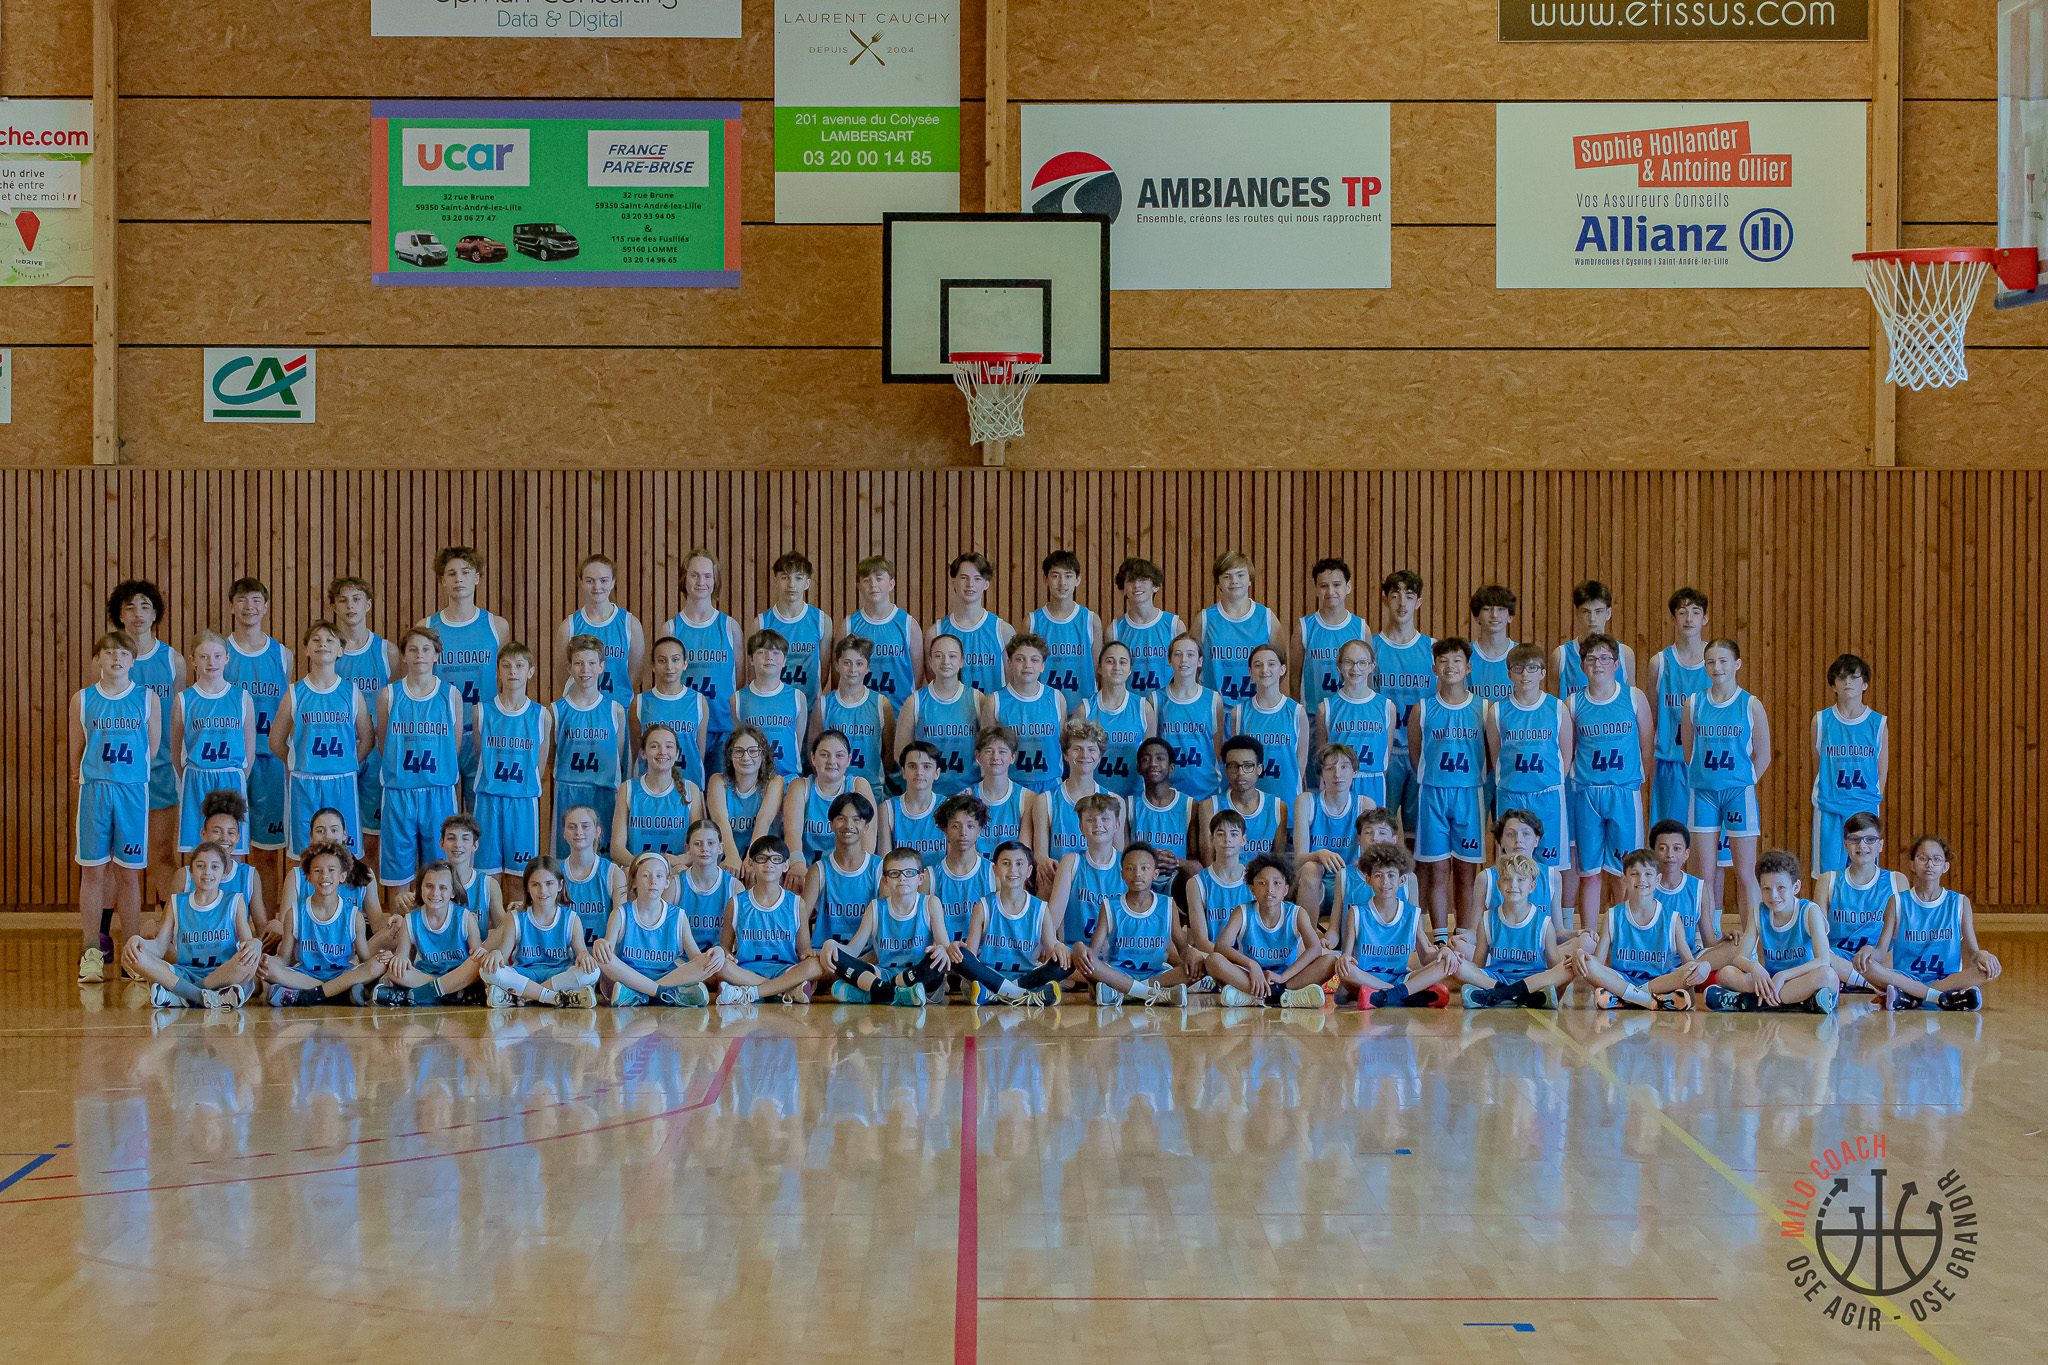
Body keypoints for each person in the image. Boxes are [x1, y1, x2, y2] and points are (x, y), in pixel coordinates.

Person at [72, 631, 159, 983]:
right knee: (93, 873)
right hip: (95, 791)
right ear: (98, 659)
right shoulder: (82, 699)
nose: (116, 658)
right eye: (108, 653)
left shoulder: (146, 698)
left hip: (132, 793)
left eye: (123, 653)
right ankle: (92, 952)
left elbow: (152, 749)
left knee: (128, 874)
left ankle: (132, 956)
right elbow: (76, 751)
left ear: (133, 661)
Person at [1566, 632, 1654, 932]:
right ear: (1582, 665)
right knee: (1589, 873)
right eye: (1591, 659)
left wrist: (1639, 782)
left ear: (1616, 664)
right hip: (1587, 793)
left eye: (1605, 658)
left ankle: (1622, 933)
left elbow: (1646, 745)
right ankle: (1590, 936)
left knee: (1624, 872)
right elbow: (1569, 748)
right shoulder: (1573, 703)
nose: (1598, 664)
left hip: (1623, 792)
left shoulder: (1634, 697)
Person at [108, 581, 186, 910]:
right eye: (130, 607)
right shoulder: (107, 660)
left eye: (144, 606)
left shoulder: (173, 661)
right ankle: (103, 933)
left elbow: (181, 717)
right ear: (119, 615)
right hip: (117, 773)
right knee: (114, 856)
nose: (137, 613)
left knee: (162, 852)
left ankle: (169, 928)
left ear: (155, 614)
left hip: (161, 771)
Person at [1682, 638, 1770, 926]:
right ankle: (1706, 937)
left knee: (1745, 873)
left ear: (1737, 664)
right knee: (1703, 873)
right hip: (1704, 794)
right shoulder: (1693, 703)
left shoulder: (1751, 705)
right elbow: (1688, 752)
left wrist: (1743, 782)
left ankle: (1751, 938)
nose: (1716, 667)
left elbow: (1764, 755)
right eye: (1711, 662)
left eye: (1723, 661)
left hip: (1738, 794)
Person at [1858, 835, 2001, 1012]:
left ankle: (1912, 998)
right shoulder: (1897, 902)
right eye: (1923, 858)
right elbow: (1880, 952)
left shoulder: (1959, 902)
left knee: (1985, 970)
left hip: (1946, 980)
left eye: (1936, 859)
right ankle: (1940, 998)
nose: (1929, 864)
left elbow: (1972, 953)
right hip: (1906, 978)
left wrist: (1983, 955)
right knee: (1866, 965)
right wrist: (1868, 951)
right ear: (1912, 865)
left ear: (1945, 867)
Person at [271, 620, 373, 863]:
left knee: (346, 855)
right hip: (305, 783)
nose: (322, 644)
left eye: (329, 640)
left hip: (342, 782)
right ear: (307, 649)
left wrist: (347, 764)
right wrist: (298, 763)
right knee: (304, 855)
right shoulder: (295, 692)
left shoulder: (351, 692)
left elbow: (367, 738)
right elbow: (275, 741)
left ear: (340, 650)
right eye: (315, 640)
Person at [1410, 637, 1491, 940]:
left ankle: (1465, 934)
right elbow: (1417, 756)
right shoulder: (1422, 709)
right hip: (1433, 794)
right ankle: (1441, 936)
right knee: (1438, 869)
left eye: (1457, 660)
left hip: (1470, 793)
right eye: (1443, 661)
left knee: (1466, 871)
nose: (1450, 666)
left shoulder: (1484, 708)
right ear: (1434, 668)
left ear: (1468, 667)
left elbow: (1490, 755)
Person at [375, 626, 464, 894]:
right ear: (403, 655)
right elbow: (383, 746)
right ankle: (400, 922)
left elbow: (454, 748)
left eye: (426, 649)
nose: (419, 655)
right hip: (399, 793)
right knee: (398, 876)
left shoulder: (451, 695)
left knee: (440, 873)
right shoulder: (389, 695)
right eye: (412, 649)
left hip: (439, 794)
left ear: (436, 655)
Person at [121, 841, 261, 1010]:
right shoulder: (176, 902)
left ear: (224, 873)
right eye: (200, 866)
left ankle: (183, 996)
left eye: (215, 867)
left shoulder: (235, 901)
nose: (207, 872)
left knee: (249, 960)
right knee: (135, 956)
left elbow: (247, 944)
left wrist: (256, 944)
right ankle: (204, 997)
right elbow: (159, 947)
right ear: (191, 872)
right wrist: (137, 942)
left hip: (223, 974)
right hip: (184, 973)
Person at [420, 547, 511, 803]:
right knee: (439, 811)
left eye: (466, 572)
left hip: (483, 730)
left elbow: (505, 678)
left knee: (478, 813)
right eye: (451, 573)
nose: (459, 579)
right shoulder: (426, 627)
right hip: (441, 732)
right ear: (442, 580)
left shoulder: (497, 626)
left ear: (477, 578)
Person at [1704, 849, 1840, 1014]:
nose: (1773, 895)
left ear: (1796, 887)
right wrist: (1754, 967)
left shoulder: (1810, 911)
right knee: (1726, 973)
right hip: (1772, 982)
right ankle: (1800, 1003)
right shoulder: (1758, 912)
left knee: (1828, 976)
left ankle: (1747, 1002)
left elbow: (1823, 960)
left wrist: (1784, 975)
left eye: (1781, 887)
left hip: (1801, 980)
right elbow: (1739, 958)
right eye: (1766, 889)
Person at [223, 577, 291, 900]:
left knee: (267, 852)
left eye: (255, 600)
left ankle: (268, 924)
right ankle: (225, 920)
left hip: (270, 761)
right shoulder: (220, 653)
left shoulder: (282, 654)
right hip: (230, 762)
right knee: (226, 849)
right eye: (241, 600)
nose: (248, 607)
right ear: (231, 606)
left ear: (265, 607)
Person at [817, 846, 952, 1006]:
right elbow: (853, 950)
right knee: (838, 959)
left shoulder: (930, 903)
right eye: (894, 873)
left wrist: (941, 949)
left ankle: (875, 993)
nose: (902, 878)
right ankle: (897, 994)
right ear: (885, 880)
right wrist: (831, 945)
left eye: (909, 873)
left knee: (936, 963)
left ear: (920, 878)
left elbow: (945, 946)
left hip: (918, 976)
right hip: (883, 974)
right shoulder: (876, 907)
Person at [1574, 849, 1706, 1010]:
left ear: (1658, 880)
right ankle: (1651, 1000)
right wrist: (1581, 955)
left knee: (1689, 971)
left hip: (1660, 981)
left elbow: (1688, 961)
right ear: (1624, 879)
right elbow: (1598, 962)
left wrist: (1702, 966)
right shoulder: (1613, 916)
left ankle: (1625, 999)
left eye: (1648, 874)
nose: (1641, 879)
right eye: (1634, 874)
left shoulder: (1672, 918)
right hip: (1622, 980)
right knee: (1588, 965)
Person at [260, 839, 389, 1005]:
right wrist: (266, 962)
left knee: (378, 965)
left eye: (331, 870)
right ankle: (340, 994)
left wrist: (382, 958)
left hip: (342, 974)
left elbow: (365, 959)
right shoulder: (295, 914)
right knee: (270, 969)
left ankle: (308, 995)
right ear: (308, 877)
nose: (324, 876)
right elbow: (283, 959)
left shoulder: (354, 916)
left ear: (343, 876)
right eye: (317, 870)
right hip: (307, 975)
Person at [470, 643, 553, 895]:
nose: (512, 671)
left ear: (530, 672)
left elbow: (540, 767)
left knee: (520, 878)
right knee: (487, 879)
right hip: (488, 801)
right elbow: (480, 754)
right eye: (506, 666)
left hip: (523, 803)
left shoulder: (541, 715)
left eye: (519, 666)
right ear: (497, 671)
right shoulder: (481, 711)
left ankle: (515, 921)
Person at [329, 577, 399, 868]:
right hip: (337, 753)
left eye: (356, 599)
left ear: (368, 605)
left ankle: (368, 898)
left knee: (371, 839)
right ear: (334, 606)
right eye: (343, 600)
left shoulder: (387, 652)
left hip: (376, 755)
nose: (350, 606)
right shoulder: (327, 650)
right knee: (334, 837)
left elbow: (398, 706)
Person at [1335, 841, 1453, 1009]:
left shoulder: (1412, 914)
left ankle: (1385, 996)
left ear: (1402, 880)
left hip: (1401, 978)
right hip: (1366, 978)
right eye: (1378, 875)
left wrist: (1444, 952)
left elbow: (1425, 956)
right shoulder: (1356, 913)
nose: (1385, 882)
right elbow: (1346, 958)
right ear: (1368, 879)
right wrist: (1344, 958)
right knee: (1346, 969)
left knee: (1446, 963)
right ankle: (1403, 995)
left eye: (1391, 875)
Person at [1451, 853, 1579, 1009]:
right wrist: (1458, 962)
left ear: (1532, 886)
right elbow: (1478, 966)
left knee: (1569, 967)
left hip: (1533, 980)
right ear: (1498, 885)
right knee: (1453, 964)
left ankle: (1500, 996)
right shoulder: (1487, 920)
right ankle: (1525, 998)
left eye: (1521, 880)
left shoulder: (1544, 923)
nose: (1513, 885)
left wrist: (1566, 969)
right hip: (1496, 978)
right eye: (1507, 879)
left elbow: (1554, 966)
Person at [713, 835, 829, 1004]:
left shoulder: (797, 904)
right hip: (747, 971)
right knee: (720, 964)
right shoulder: (736, 903)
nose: (769, 865)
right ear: (751, 863)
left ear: (786, 865)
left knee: (816, 964)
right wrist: (725, 954)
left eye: (776, 859)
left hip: (785, 970)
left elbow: (804, 950)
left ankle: (751, 992)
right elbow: (725, 946)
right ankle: (784, 990)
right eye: (762, 859)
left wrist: (809, 955)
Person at [1205, 854, 1332, 1007]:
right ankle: (1286, 997)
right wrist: (1252, 964)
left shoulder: (1297, 913)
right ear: (1252, 889)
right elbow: (1220, 946)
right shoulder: (1243, 912)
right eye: (1262, 883)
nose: (1270, 889)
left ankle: (1256, 997)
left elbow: (1315, 949)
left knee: (1330, 961)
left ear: (1285, 890)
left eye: (1276, 883)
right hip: (1252, 978)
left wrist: (1283, 977)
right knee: (1213, 961)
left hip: (1288, 979)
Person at [595, 853, 721, 1007]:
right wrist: (601, 945)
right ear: (634, 881)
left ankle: (641, 995)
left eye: (659, 876)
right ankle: (665, 994)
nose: (653, 881)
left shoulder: (678, 916)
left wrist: (717, 953)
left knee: (708, 962)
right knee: (602, 957)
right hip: (630, 979)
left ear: (667, 883)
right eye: (645, 875)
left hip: (667, 978)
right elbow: (608, 953)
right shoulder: (620, 914)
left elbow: (696, 957)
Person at [1488, 643, 1571, 876]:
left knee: (1550, 869)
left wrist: (1548, 783)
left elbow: (1565, 755)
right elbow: (1497, 757)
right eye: (1518, 668)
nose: (1525, 674)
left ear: (1542, 673)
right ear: (1509, 674)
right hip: (1511, 796)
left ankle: (1548, 903)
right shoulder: (1497, 711)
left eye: (1532, 668)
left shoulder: (1557, 708)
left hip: (1548, 796)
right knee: (1511, 866)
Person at [171, 631, 255, 859]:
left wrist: (236, 779)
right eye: (204, 656)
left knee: (232, 853)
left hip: (231, 779)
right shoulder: (184, 700)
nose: (211, 662)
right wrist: (190, 778)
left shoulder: (242, 698)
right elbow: (176, 752)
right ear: (193, 660)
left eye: (217, 656)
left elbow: (249, 752)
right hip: (197, 779)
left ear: (227, 658)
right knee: (197, 854)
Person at [477, 856, 601, 1008]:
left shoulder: (571, 918)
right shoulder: (515, 918)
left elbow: (581, 951)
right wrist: (496, 954)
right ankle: (557, 997)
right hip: (525, 975)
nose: (543, 891)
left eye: (549, 883)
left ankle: (523, 997)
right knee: (487, 970)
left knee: (593, 971)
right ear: (527, 888)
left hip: (558, 975)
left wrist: (584, 955)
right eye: (535, 884)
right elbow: (503, 954)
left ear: (560, 885)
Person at [956, 840, 1069, 1005]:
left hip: (1025, 977)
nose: (1012, 870)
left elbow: (1052, 948)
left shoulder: (1040, 909)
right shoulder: (983, 907)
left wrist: (1059, 947)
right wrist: (959, 950)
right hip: (989, 977)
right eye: (1006, 863)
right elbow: (971, 955)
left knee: (1067, 961)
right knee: (959, 955)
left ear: (1029, 871)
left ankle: (1000, 994)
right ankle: (1023, 995)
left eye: (1019, 863)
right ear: (995, 869)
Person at [1080, 844, 1194, 1006]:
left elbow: (1182, 950)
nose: (1137, 874)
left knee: (1200, 965)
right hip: (1120, 974)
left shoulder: (1167, 905)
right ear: (1122, 874)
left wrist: (1193, 955)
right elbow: (1093, 952)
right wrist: (1082, 953)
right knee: (1081, 953)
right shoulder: (1110, 905)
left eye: (1144, 868)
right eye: (1130, 868)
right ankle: (1152, 994)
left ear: (1155, 874)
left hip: (1157, 974)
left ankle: (1125, 994)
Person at [667, 549, 744, 774]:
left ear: (715, 580)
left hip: (722, 729)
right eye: (694, 575)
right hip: (684, 729)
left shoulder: (730, 627)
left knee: (719, 793)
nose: (701, 582)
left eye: (707, 575)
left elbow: (739, 681)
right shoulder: (671, 629)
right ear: (684, 579)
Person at [552, 634, 630, 855]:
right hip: (568, 792)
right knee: (566, 860)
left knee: (604, 859)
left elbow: (618, 757)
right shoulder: (557, 711)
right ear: (569, 668)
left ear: (601, 667)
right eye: (578, 663)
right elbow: (551, 758)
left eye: (591, 663)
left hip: (604, 793)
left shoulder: (615, 711)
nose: (585, 669)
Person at [1371, 570, 1434, 842]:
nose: (1402, 603)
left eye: (1409, 596)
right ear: (1385, 599)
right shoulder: (1371, 648)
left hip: (1420, 752)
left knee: (1415, 837)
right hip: (1383, 752)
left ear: (1418, 602)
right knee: (1377, 831)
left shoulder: (1433, 649)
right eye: (1395, 595)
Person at [1811, 653, 1888, 875]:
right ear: (1833, 685)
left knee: (1864, 873)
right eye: (1842, 677)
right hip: (1830, 809)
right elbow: (1818, 765)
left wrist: (1870, 799)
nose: (1848, 682)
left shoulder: (1878, 723)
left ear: (1864, 684)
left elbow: (1881, 771)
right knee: (1828, 876)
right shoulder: (1821, 721)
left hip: (1864, 809)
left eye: (1854, 677)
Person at [373, 859, 486, 1006]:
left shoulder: (466, 918)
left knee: (477, 962)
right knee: (394, 970)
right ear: (420, 888)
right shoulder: (410, 919)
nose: (435, 893)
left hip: (459, 974)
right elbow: (402, 955)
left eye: (443, 888)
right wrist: (399, 959)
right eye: (429, 886)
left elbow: (477, 956)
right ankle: (450, 994)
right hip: (427, 975)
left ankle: (412, 996)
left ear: (453, 892)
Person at [1810, 811, 1899, 990]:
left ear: (1880, 845)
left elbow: (1902, 936)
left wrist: (1877, 954)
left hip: (1877, 960)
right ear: (1845, 844)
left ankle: (1850, 980)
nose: (1862, 845)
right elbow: (1817, 935)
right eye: (1854, 839)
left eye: (1870, 839)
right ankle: (1871, 985)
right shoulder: (1828, 880)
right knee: (1814, 953)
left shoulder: (1896, 880)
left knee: (1900, 954)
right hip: (1838, 958)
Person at [1647, 587, 1711, 829]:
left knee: (1708, 840)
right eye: (1682, 612)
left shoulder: (1715, 662)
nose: (1689, 618)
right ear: (1673, 618)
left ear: (1705, 618)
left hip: (1707, 765)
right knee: (1669, 837)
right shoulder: (1659, 663)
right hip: (1671, 763)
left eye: (1695, 612)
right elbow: (1652, 718)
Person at [1646, 817, 1737, 975]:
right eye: (1662, 848)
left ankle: (1687, 974)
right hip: (1652, 961)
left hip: (1688, 960)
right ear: (1653, 852)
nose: (1670, 854)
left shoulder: (1698, 888)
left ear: (1686, 854)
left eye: (1677, 848)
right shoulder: (1644, 885)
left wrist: (1723, 940)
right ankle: (1685, 977)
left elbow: (1708, 941)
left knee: (1736, 945)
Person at [894, 632, 982, 797]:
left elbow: (988, 751)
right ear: (930, 661)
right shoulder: (915, 702)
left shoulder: (978, 700)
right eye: (938, 656)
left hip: (969, 793)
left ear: (962, 661)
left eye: (952, 656)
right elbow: (901, 754)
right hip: (928, 795)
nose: (945, 661)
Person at [784, 729, 878, 883]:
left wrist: (857, 872)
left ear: (849, 760)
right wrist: (797, 863)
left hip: (848, 873)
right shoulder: (800, 787)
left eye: (839, 755)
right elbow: (792, 833)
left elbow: (869, 836)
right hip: (807, 872)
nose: (831, 761)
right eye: (824, 755)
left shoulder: (858, 785)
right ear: (813, 758)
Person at [556, 553, 645, 707]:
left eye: (603, 580)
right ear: (581, 583)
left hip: (618, 711)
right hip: (582, 712)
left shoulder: (630, 624)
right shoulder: (569, 626)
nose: (597, 587)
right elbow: (563, 677)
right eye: (589, 581)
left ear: (613, 582)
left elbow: (634, 678)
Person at [180, 791, 267, 946]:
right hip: (193, 954)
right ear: (203, 834)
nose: (224, 838)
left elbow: (261, 928)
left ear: (238, 837)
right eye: (216, 831)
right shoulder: (184, 876)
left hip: (236, 957)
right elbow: (172, 933)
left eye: (231, 832)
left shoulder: (249, 875)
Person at [1193, 551, 1277, 708]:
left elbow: (1280, 666)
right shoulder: (1204, 619)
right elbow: (1193, 667)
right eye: (1227, 576)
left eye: (1240, 575)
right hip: (1214, 710)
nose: (1234, 581)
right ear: (1218, 583)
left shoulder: (1266, 617)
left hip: (1255, 711)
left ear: (1250, 579)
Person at [612, 724, 701, 870]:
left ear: (677, 754)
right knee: (626, 872)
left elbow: (699, 846)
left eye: (669, 746)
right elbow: (617, 848)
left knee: (682, 870)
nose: (662, 752)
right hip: (638, 870)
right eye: (654, 746)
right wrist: (644, 868)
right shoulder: (628, 789)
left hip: (675, 869)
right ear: (643, 753)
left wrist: (676, 861)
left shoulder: (691, 790)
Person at [802, 792, 882, 954]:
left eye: (856, 819)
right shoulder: (819, 870)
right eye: (841, 819)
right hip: (825, 954)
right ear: (831, 825)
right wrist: (805, 951)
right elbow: (800, 918)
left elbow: (887, 919)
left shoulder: (879, 867)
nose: (848, 825)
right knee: (810, 965)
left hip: (866, 954)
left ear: (866, 826)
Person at [1319, 638, 1395, 806]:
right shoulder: (1326, 708)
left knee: (1372, 823)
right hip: (1339, 781)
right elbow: (1322, 757)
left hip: (1373, 781)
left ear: (1371, 666)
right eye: (1349, 662)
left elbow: (1386, 756)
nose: (1355, 668)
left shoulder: (1386, 707)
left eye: (1362, 663)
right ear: (1339, 666)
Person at [1034, 719, 1114, 880]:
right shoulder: (1045, 801)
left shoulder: (1113, 801)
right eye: (1077, 749)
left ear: (1100, 756)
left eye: (1091, 749)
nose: (1085, 755)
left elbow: (1118, 858)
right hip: (1057, 883)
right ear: (1065, 754)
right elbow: (1040, 856)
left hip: (1099, 886)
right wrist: (1045, 864)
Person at [986, 633, 1066, 793]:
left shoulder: (1057, 698)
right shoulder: (995, 701)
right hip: (1010, 787)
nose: (1027, 665)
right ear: (1009, 663)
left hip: (1051, 784)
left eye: (1034, 660)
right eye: (1020, 659)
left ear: (1042, 666)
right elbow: (986, 750)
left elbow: (1063, 744)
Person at [926, 551, 1013, 696]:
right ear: (953, 581)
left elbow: (1013, 682)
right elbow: (933, 681)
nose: (970, 584)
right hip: (953, 710)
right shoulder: (936, 632)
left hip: (991, 709)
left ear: (986, 584)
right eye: (964, 577)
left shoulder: (1003, 631)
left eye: (977, 578)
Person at [634, 634, 712, 795]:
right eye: (662, 660)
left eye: (675, 659)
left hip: (690, 784)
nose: (669, 666)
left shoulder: (699, 701)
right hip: (650, 787)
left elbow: (699, 750)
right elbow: (636, 749)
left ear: (685, 664)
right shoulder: (640, 702)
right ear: (653, 666)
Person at [1230, 644, 1309, 801]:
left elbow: (1300, 765)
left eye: (1271, 664)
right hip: (1249, 801)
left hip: (1287, 799)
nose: (1264, 670)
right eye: (1258, 665)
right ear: (1250, 672)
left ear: (1282, 669)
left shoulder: (1297, 712)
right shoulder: (1238, 713)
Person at [1046, 794, 1128, 947]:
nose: (1098, 824)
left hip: (1117, 953)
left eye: (1105, 819)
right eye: (1090, 819)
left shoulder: (1126, 863)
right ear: (1081, 827)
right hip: (1076, 951)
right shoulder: (1071, 862)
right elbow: (1052, 921)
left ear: (1117, 825)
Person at [841, 554, 922, 708]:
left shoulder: (908, 624)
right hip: (861, 712)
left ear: (891, 584)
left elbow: (916, 676)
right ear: (859, 586)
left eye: (879, 578)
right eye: (866, 580)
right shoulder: (849, 626)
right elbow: (840, 674)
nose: (873, 585)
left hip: (899, 712)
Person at [1180, 810, 1252, 982]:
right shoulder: (1196, 883)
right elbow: (1201, 941)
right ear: (1211, 838)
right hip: (1214, 957)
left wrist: (1245, 962)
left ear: (1243, 840)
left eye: (1233, 834)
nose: (1227, 840)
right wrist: (1231, 963)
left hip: (1249, 959)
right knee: (1196, 962)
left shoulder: (1254, 880)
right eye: (1220, 834)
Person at [1297, 558, 1371, 718]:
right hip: (1313, 715)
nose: (1330, 591)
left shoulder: (1361, 628)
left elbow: (1368, 678)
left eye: (1337, 584)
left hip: (1351, 715)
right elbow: (1294, 679)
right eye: (1324, 586)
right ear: (1316, 589)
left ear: (1348, 587)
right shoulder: (1304, 628)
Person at [758, 550, 832, 709]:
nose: (791, 584)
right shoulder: (761, 623)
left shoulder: (822, 621)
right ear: (775, 581)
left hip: (810, 709)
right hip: (773, 709)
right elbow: (755, 674)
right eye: (784, 577)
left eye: (798, 578)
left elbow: (823, 673)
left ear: (807, 583)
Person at [816, 636, 892, 789]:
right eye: (847, 663)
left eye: (859, 663)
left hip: (871, 787)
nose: (853, 670)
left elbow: (889, 752)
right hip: (834, 788)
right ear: (837, 665)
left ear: (868, 667)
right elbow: (815, 750)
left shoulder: (881, 704)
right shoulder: (823, 705)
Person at [1293, 744, 1361, 916]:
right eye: (1330, 768)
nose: (1337, 774)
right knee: (1310, 868)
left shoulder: (1364, 805)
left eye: (1344, 767)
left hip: (1349, 883)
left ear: (1354, 772)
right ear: (1321, 774)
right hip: (1316, 884)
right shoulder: (1307, 802)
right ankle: (1307, 932)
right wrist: (1319, 854)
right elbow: (1298, 861)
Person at [1078, 640, 1152, 798]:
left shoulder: (1143, 709)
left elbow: (1150, 757)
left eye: (1123, 662)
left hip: (1134, 797)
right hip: (1094, 799)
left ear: (1130, 670)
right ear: (1099, 668)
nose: (1116, 667)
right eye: (1110, 661)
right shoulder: (1085, 710)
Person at [707, 724, 783, 874]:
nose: (746, 757)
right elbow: (721, 821)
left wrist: (751, 859)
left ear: (762, 755)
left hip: (761, 857)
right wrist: (732, 857)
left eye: (753, 751)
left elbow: (763, 821)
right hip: (727, 858)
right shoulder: (718, 782)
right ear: (730, 755)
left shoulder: (774, 782)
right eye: (739, 751)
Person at [1157, 633, 1224, 802]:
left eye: (1190, 654)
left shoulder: (1213, 700)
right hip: (1168, 791)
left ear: (1200, 661)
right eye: (1178, 654)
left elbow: (1216, 749)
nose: (1184, 660)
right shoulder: (1156, 699)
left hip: (1207, 790)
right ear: (1169, 660)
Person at [731, 630, 806, 782]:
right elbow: (739, 742)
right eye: (761, 652)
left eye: (776, 652)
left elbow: (797, 742)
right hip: (753, 779)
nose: (769, 657)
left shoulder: (797, 697)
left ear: (784, 660)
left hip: (788, 778)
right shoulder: (738, 699)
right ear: (751, 659)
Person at [1127, 737, 1197, 899]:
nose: (1153, 763)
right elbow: (1121, 857)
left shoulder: (1189, 805)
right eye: (1146, 759)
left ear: (1172, 767)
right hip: (1138, 881)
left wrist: (1176, 862)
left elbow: (1198, 864)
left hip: (1176, 882)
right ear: (1138, 769)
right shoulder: (1129, 805)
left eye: (1160, 758)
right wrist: (1149, 861)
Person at [1031, 549, 1101, 705]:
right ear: (1045, 579)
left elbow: (1097, 671)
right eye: (1055, 576)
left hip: (1084, 710)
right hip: (1045, 709)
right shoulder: (1032, 621)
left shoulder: (1091, 621)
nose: (1062, 582)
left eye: (1068, 576)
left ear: (1078, 580)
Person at [1202, 736, 1287, 863]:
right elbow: (1207, 862)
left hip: (1261, 875)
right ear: (1225, 770)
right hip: (1223, 875)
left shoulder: (1277, 807)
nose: (1240, 772)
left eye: (1248, 766)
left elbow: (1277, 862)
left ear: (1259, 769)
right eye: (1233, 766)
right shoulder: (1210, 806)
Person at [1552, 580, 1636, 702]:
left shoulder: (1625, 654)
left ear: (1608, 613)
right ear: (1577, 613)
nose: (1592, 618)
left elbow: (1632, 704)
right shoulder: (1561, 655)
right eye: (1585, 611)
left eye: (1598, 611)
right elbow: (1554, 706)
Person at [928, 793, 994, 949]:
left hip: (983, 959)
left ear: (980, 830)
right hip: (944, 957)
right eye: (955, 826)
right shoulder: (930, 877)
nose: (963, 833)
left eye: (970, 826)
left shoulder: (993, 873)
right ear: (944, 830)